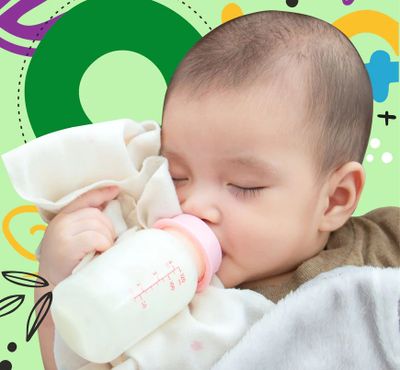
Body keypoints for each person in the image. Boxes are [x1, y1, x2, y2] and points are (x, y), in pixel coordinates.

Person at [35, 10, 400, 369]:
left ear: (334, 199)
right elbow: (79, 353)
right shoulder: (155, 287)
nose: (193, 205)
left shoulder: (386, 242)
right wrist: (54, 281)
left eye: (244, 185)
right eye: (177, 175)